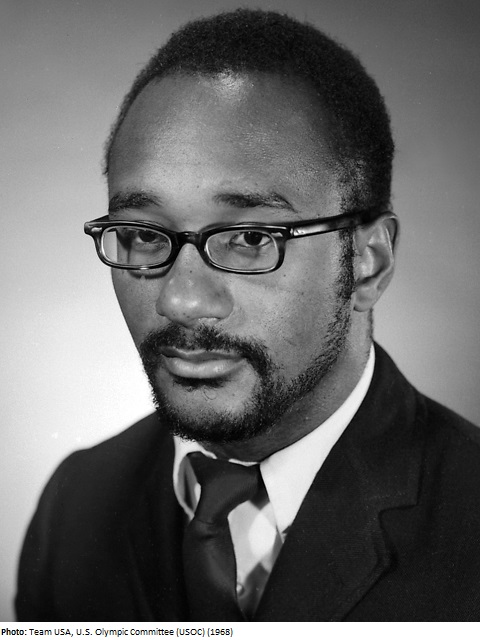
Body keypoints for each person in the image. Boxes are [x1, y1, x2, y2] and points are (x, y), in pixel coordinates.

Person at [16, 8, 480, 622]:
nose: (181, 300)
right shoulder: (75, 506)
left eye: (251, 238)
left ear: (367, 263)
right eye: (144, 234)